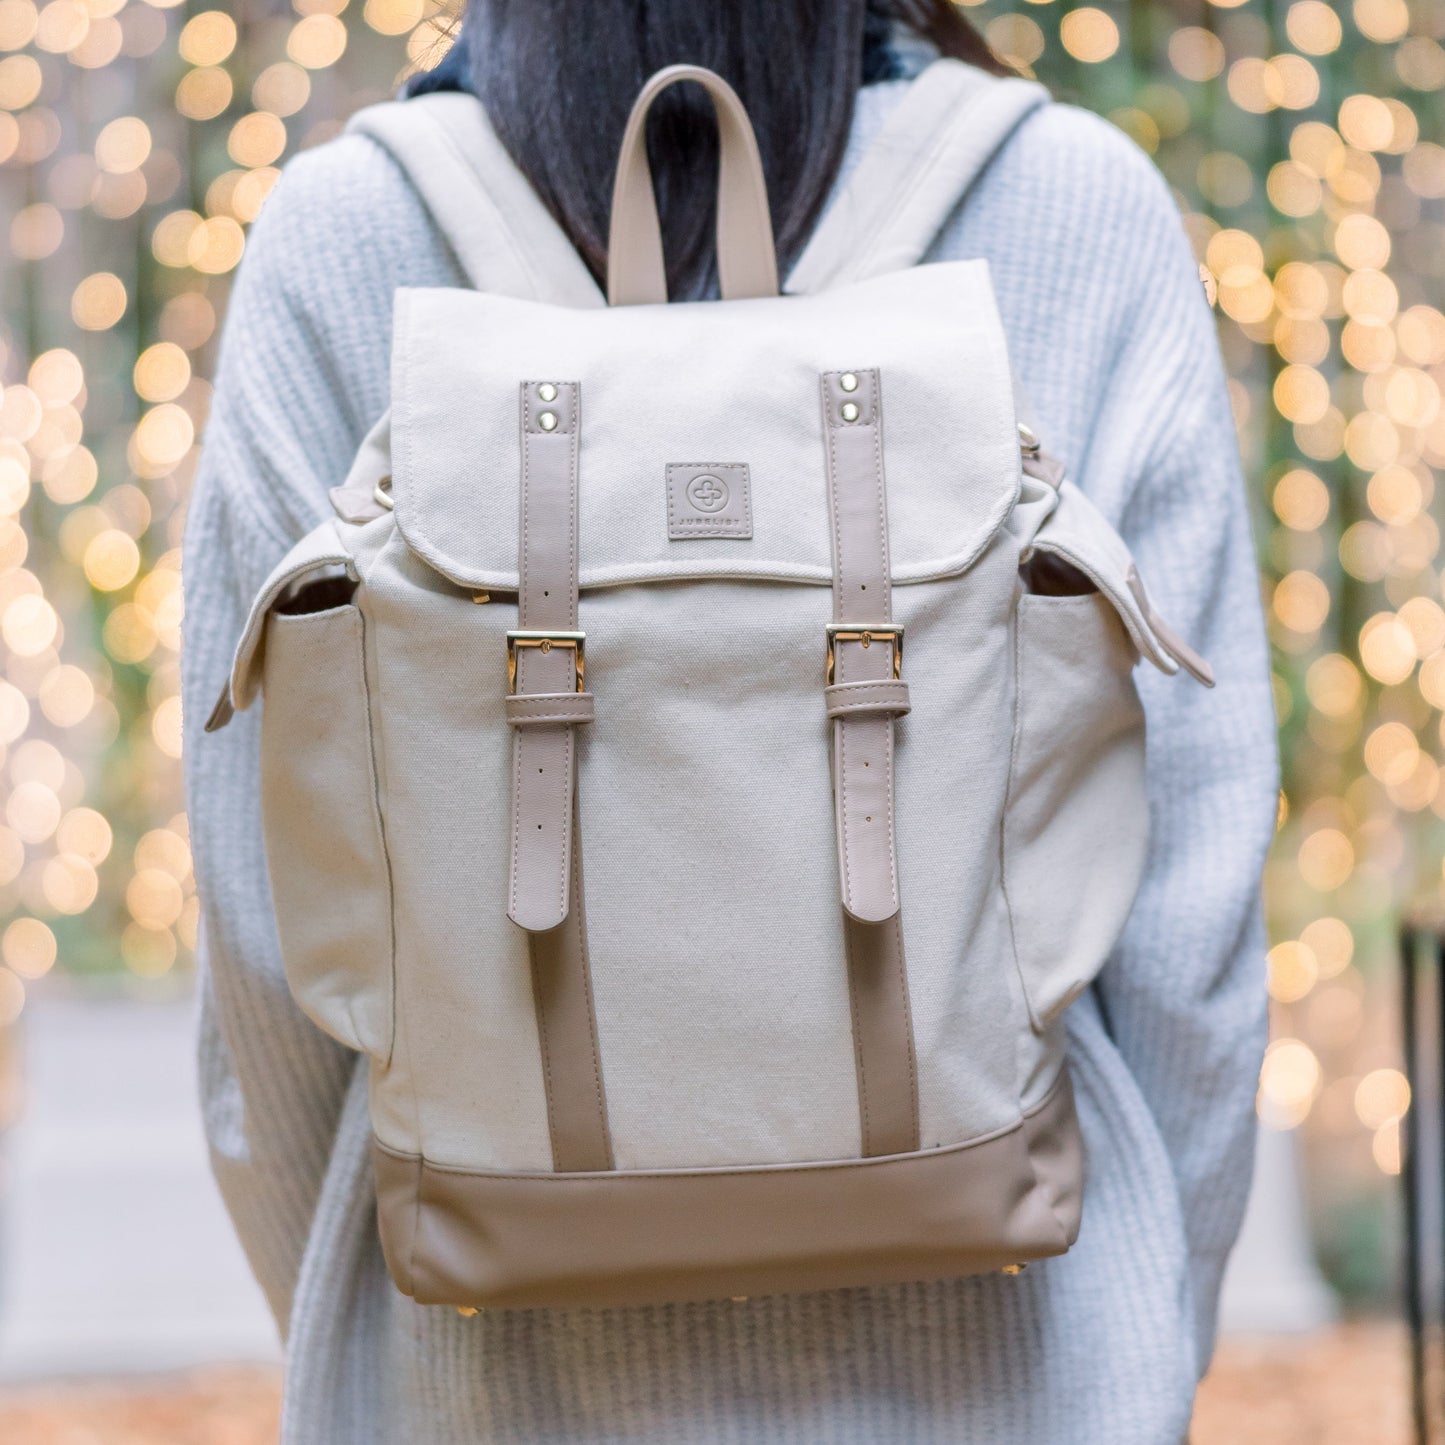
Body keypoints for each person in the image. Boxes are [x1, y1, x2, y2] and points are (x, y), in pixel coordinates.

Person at [181, 2, 1277, 1440]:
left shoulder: (340, 235)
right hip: (1027, 1383)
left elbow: (266, 962)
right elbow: (1189, 926)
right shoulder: (1068, 205)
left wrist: (380, 1326)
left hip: (483, 1389)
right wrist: (1138, 1338)